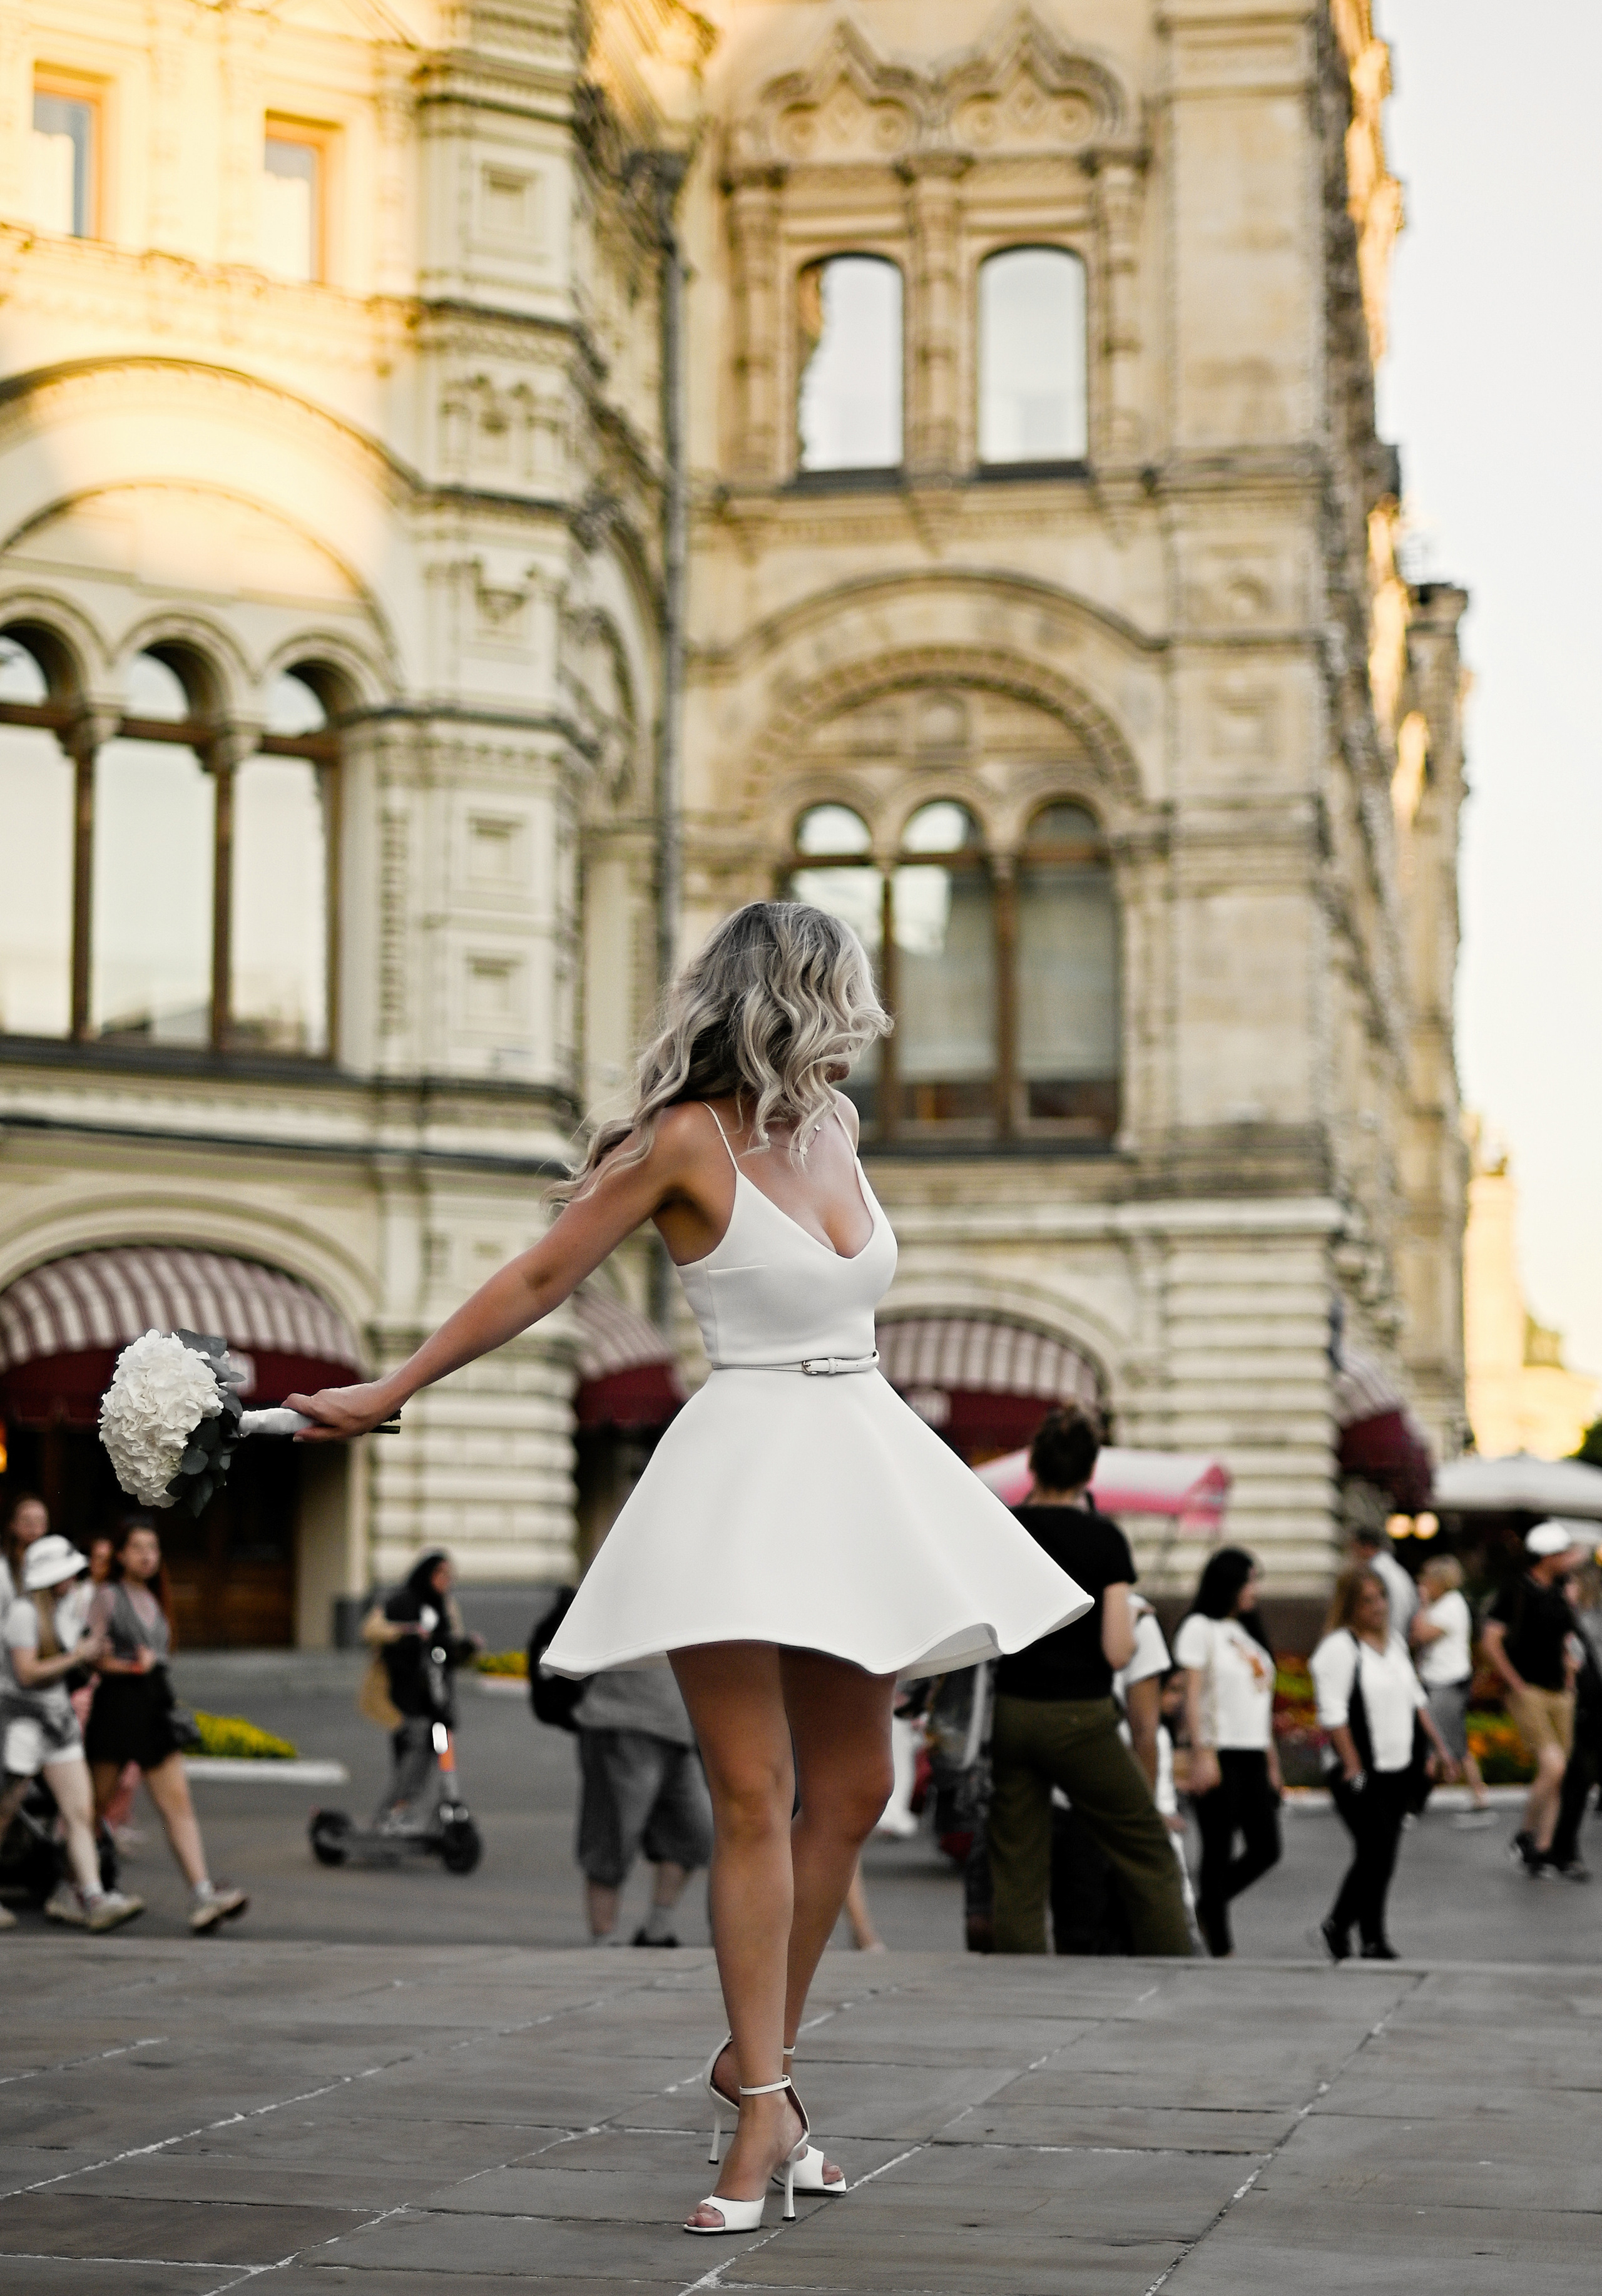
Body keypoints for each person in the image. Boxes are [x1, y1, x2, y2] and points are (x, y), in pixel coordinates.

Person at [288, 899, 1088, 2234]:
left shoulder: (836, 1125)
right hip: (740, 1475)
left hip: (859, 1457)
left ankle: (756, 2060)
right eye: (846, 994)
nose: (864, 1020)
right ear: (795, 997)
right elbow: (540, 1275)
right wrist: (395, 1384)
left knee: (856, 1783)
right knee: (752, 1792)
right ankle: (763, 2098)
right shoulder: (680, 1141)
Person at [986, 1406, 1190, 1958]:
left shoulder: (1004, 1529)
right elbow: (1117, 1651)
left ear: (1034, 1464)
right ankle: (1173, 1957)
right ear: (1089, 1471)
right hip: (1079, 1716)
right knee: (1144, 1843)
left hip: (1010, 1708)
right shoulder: (1104, 1540)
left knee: (1018, 1859)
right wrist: (1134, 1618)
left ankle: (1017, 1972)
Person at [85, 1518, 248, 1933]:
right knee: (94, 1805)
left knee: (178, 1805)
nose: (147, 1556)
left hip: (154, 1703)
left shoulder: (156, 1597)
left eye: (153, 1548)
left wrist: (150, 1666)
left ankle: (202, 1893)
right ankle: (75, 1885)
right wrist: (129, 1665)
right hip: (117, 1705)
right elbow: (90, 1654)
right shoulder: (107, 1595)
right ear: (121, 1554)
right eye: (138, 1548)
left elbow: (160, 1654)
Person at [0, 1533, 143, 1931]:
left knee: (80, 1811)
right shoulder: (24, 1614)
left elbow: (72, 1661)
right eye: (66, 1573)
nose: (73, 1578)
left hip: (57, 1723)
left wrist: (93, 1656)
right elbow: (27, 1673)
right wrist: (78, 1655)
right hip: (22, 1724)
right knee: (5, 1812)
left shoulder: (68, 1608)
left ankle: (93, 1896)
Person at [1312, 1566, 1452, 1959]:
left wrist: (1440, 1748)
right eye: (1367, 1601)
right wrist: (1353, 1765)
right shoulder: (1339, 1648)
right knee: (1375, 1850)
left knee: (1383, 1854)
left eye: (1382, 1597)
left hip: (1398, 1768)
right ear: (1350, 1606)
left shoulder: (1394, 1644)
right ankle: (1341, 1924)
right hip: (1359, 1771)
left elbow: (1416, 1699)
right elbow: (1333, 1712)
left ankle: (1370, 1937)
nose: (1378, 1607)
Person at [1173, 1548, 1282, 1957]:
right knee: (1218, 1850)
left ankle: (1206, 1908)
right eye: (1249, 1581)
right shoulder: (1199, 1628)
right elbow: (1192, 1694)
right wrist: (1201, 1753)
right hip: (1219, 1751)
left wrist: (1272, 1763)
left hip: (1253, 1753)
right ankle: (1221, 1945)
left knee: (1266, 1848)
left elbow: (1260, 1703)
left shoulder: (1247, 1631)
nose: (1254, 1590)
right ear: (1229, 1583)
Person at [571, 1664, 713, 1945]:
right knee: (612, 1838)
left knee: (695, 1833)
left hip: (678, 1728)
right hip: (621, 1720)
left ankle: (656, 1932)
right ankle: (603, 1942)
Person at [1483, 1520, 1587, 1874]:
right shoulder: (1516, 1590)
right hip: (1529, 1691)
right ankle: (1525, 1834)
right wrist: (1515, 1682)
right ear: (1547, 1556)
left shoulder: (1561, 1591)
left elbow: (1567, 1637)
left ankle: (1541, 1850)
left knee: (1559, 1773)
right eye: (1561, 1553)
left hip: (1560, 1691)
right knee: (1553, 1765)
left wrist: (1570, 1672)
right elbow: (1491, 1641)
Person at [362, 1551, 481, 1831]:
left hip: (436, 1698)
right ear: (427, 1574)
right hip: (404, 1695)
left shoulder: (444, 1606)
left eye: (450, 1575)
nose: (447, 1580)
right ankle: (389, 1815)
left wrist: (467, 1648)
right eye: (441, 1574)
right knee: (413, 1752)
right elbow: (371, 1630)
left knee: (434, 1754)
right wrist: (408, 1633)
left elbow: (450, 1646)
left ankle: (410, 1815)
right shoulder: (402, 1601)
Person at [1409, 1554, 1491, 1825]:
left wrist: (1422, 1605)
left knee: (1441, 1740)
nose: (1422, 1584)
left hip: (1447, 1681)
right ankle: (1476, 1795)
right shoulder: (1446, 1604)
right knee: (1449, 1740)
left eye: (1427, 1579)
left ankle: (1418, 1800)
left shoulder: (1450, 1605)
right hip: (1441, 1680)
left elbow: (1420, 1635)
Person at [1548, 1553, 1602, 1882]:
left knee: (1578, 1780)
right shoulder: (1573, 1617)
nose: (1565, 1588)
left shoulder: (1587, 1618)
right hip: (1581, 1707)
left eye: (1570, 1582)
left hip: (1589, 1706)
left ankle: (1559, 1848)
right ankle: (1560, 1849)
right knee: (1576, 1779)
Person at [1349, 1525, 1417, 1638]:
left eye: (1354, 1548)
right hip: (1399, 1636)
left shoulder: (1372, 1572)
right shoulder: (1399, 1571)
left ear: (1367, 1547)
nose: (1353, 1554)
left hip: (1384, 1636)